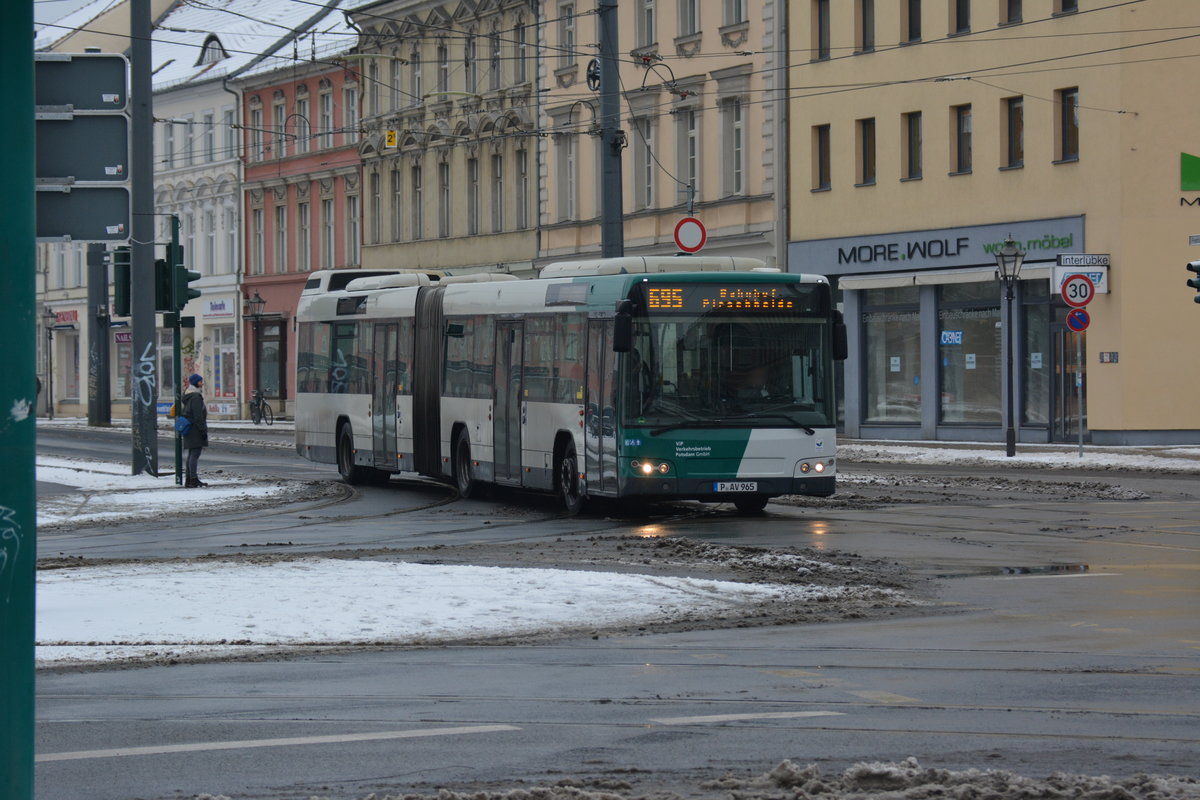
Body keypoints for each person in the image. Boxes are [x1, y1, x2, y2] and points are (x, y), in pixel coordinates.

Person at [181, 373, 209, 488]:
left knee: (192, 453)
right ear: (196, 383)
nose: (202, 383)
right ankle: (193, 479)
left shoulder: (188, 395)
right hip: (195, 428)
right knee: (195, 454)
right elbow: (198, 416)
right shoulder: (196, 397)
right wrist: (203, 430)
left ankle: (189, 479)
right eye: (200, 381)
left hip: (189, 427)